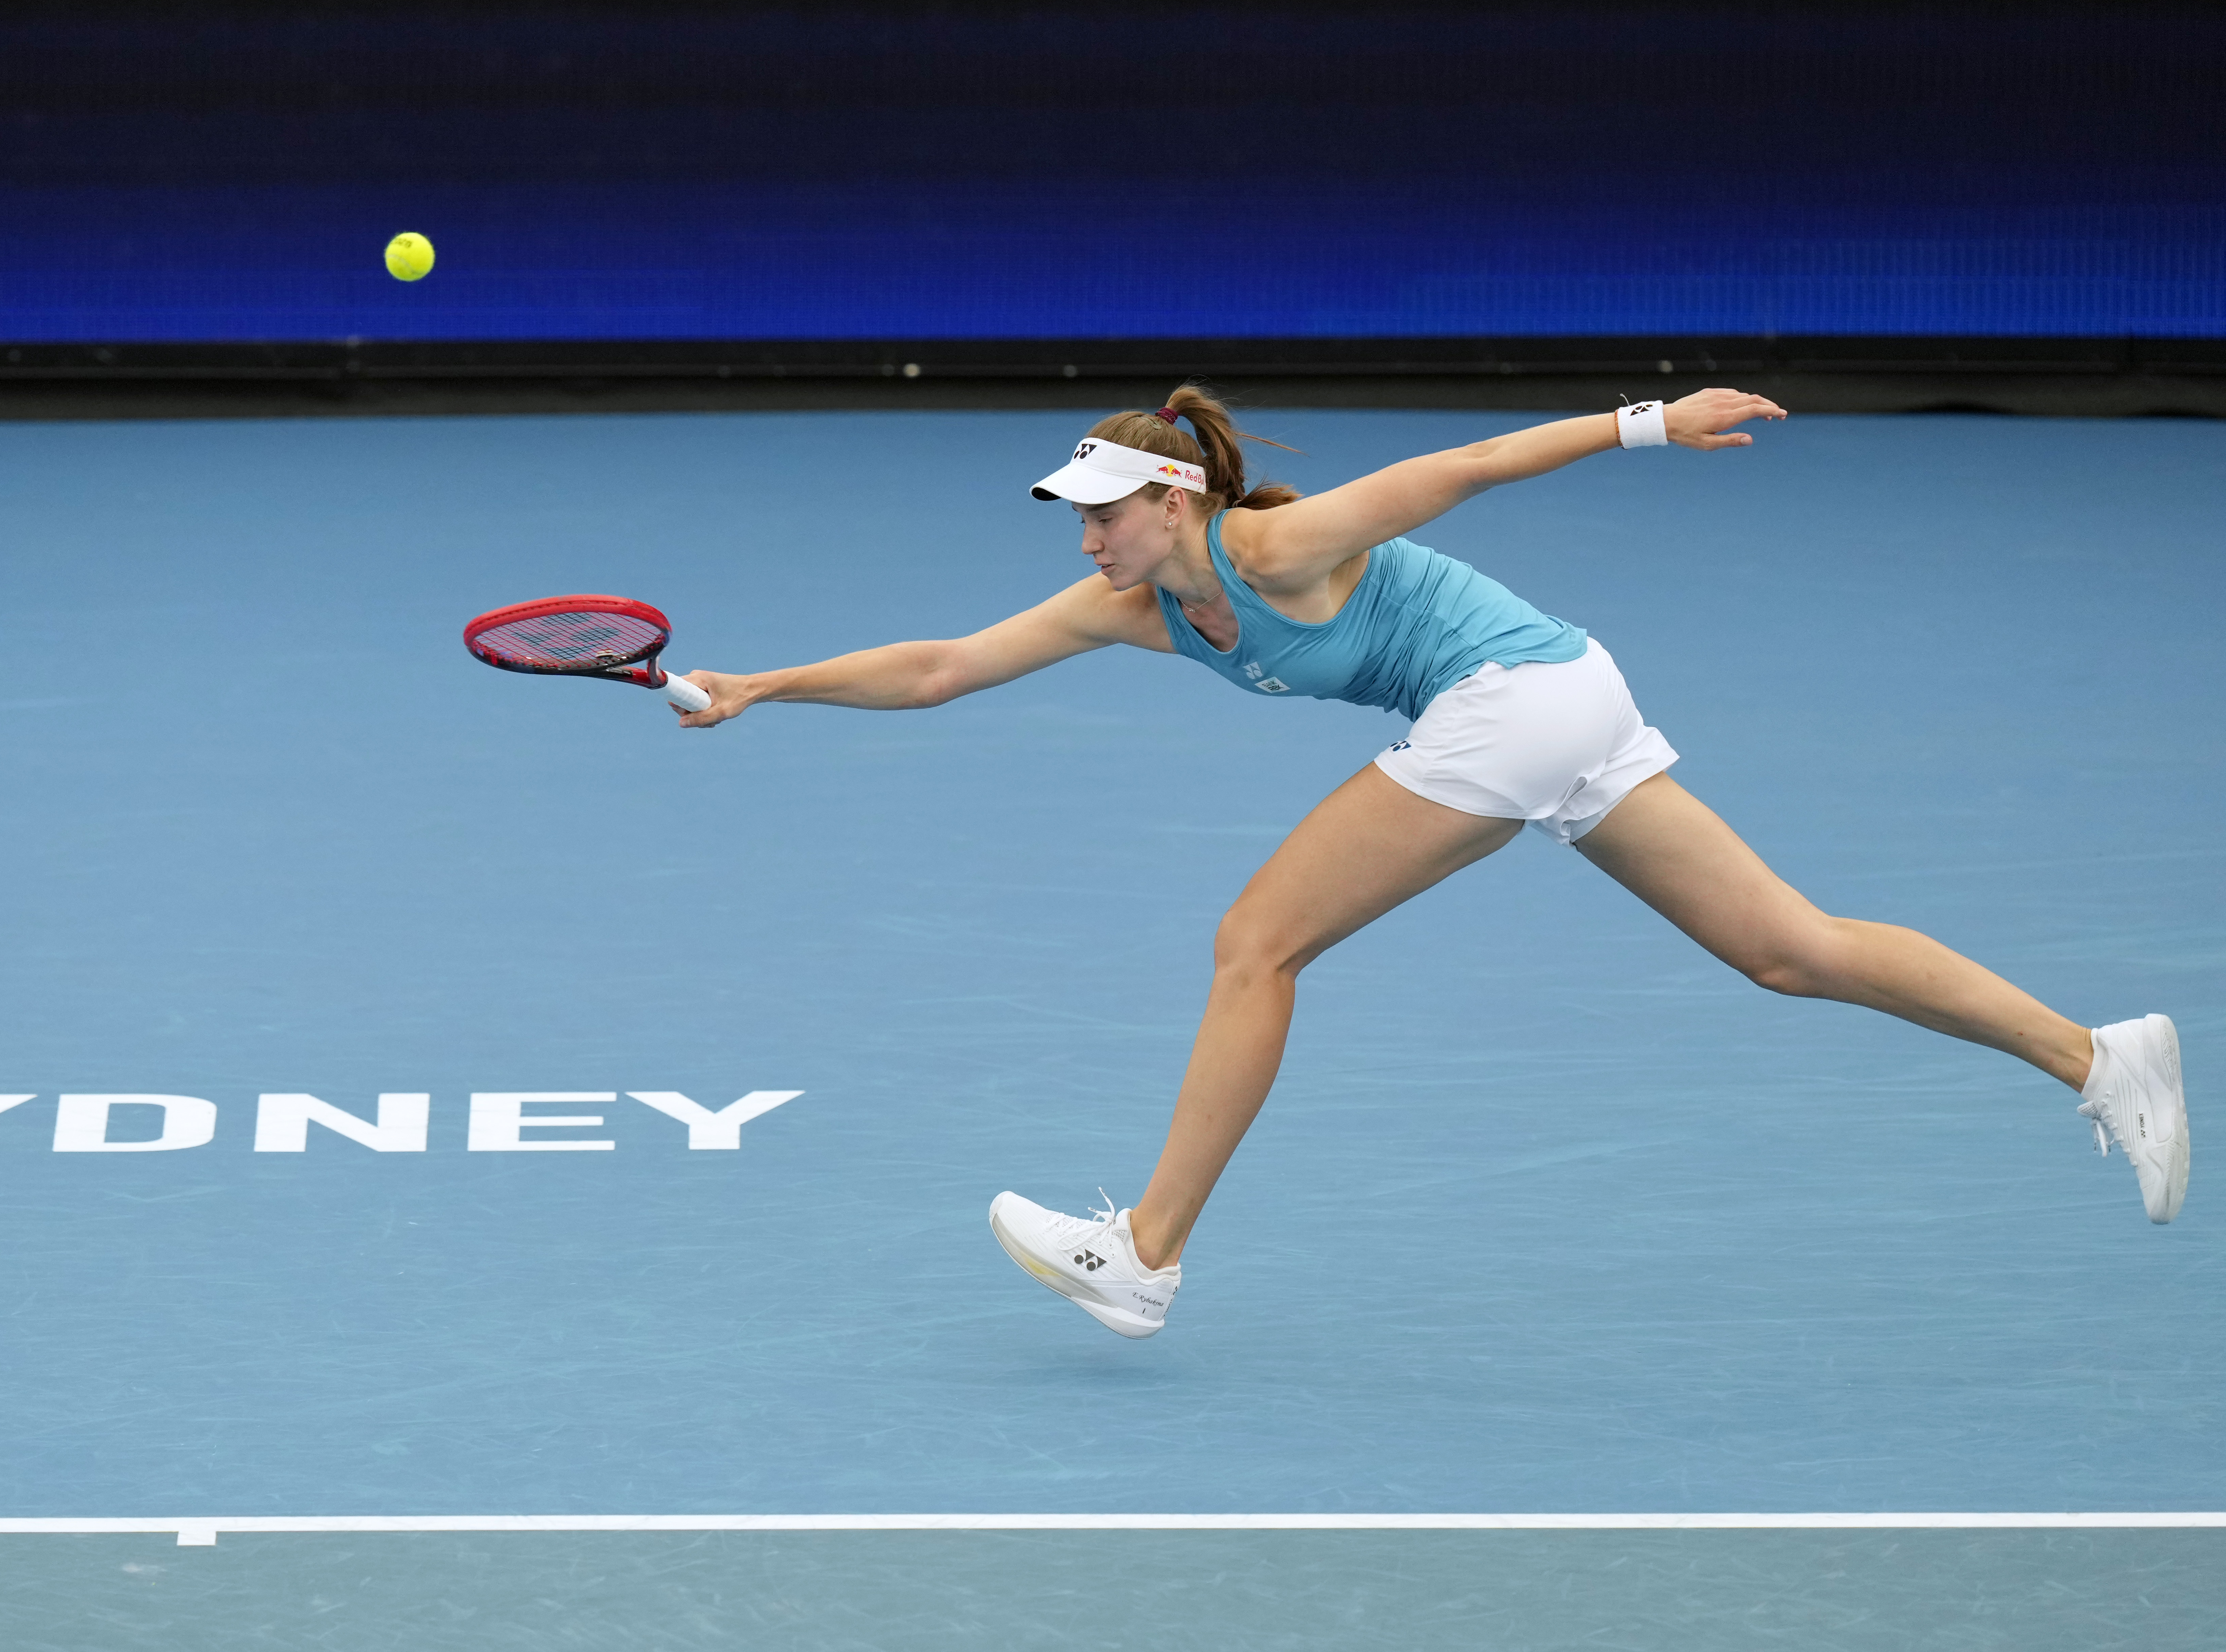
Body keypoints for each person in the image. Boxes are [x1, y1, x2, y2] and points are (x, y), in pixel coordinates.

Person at [674, 386, 2189, 1339]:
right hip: (1569, 695)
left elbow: (1463, 464)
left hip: (1513, 699)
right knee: (1788, 950)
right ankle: (2096, 1055)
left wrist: (1649, 424)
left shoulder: (1279, 548)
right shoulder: (1134, 611)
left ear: (1174, 503)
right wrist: (761, 686)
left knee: (1257, 942)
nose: (1085, 545)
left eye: (1102, 518)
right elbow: (942, 667)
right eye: (1076, 523)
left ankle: (1143, 1253)